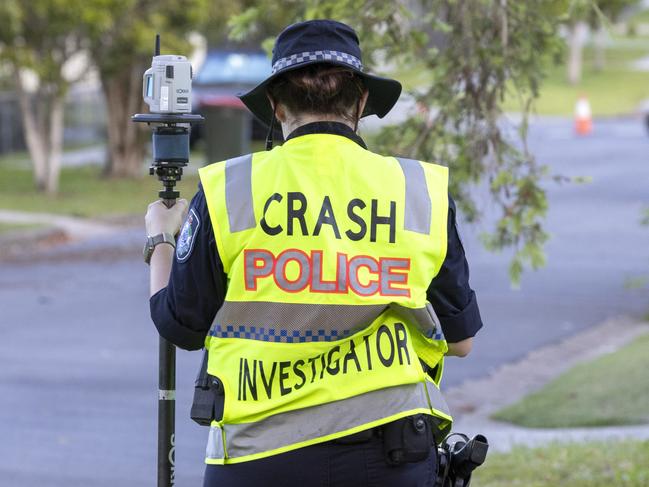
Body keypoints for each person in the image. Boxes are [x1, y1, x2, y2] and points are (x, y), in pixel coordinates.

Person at [145, 19, 483, 487]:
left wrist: (161, 238)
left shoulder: (228, 190)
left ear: (275, 105)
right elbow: (460, 341)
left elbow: (179, 325)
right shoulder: (418, 190)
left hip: (257, 461)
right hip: (391, 456)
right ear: (362, 101)